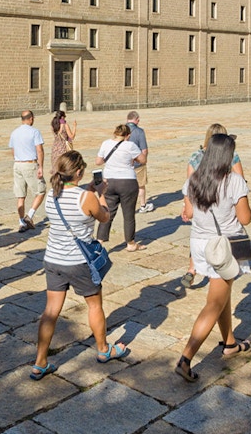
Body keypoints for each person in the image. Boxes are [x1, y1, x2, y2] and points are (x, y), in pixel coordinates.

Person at [30, 150, 129, 379]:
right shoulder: (87, 197)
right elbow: (104, 217)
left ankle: (40, 361)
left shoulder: (52, 196)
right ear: (78, 172)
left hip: (53, 259)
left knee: (50, 311)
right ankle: (103, 349)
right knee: (94, 305)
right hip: (79, 262)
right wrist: (100, 194)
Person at [175, 134, 251, 382]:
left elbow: (188, 211)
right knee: (213, 303)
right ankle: (186, 359)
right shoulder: (234, 181)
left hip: (199, 244)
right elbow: (245, 218)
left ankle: (229, 343)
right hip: (223, 247)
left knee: (221, 295)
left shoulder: (193, 180)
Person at [181, 124, 246, 288]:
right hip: (227, 235)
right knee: (216, 300)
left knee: (202, 231)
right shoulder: (233, 160)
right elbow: (245, 217)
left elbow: (190, 183)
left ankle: (192, 268)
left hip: (201, 224)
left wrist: (187, 205)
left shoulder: (196, 157)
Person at [94, 124, 148, 252]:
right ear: (127, 135)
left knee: (108, 212)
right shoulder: (130, 146)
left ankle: (100, 241)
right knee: (128, 214)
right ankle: (130, 243)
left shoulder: (106, 143)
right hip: (127, 181)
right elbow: (143, 160)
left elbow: (98, 162)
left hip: (109, 181)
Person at [9, 110, 46, 232]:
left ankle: (21, 223)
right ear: (30, 119)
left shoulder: (14, 132)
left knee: (20, 196)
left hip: (17, 164)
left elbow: (13, 151)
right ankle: (29, 216)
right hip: (30, 164)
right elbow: (39, 150)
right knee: (41, 191)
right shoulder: (34, 132)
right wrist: (40, 166)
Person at [126, 111, 152, 214]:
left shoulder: (121, 130)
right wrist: (144, 160)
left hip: (125, 163)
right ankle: (142, 205)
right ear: (137, 120)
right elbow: (144, 150)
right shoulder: (139, 131)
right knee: (140, 185)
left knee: (127, 186)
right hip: (137, 163)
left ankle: (128, 207)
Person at [49, 111, 77, 176]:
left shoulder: (53, 126)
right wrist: (74, 127)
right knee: (64, 168)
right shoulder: (65, 125)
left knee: (56, 168)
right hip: (63, 148)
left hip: (55, 148)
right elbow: (71, 136)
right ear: (62, 117)